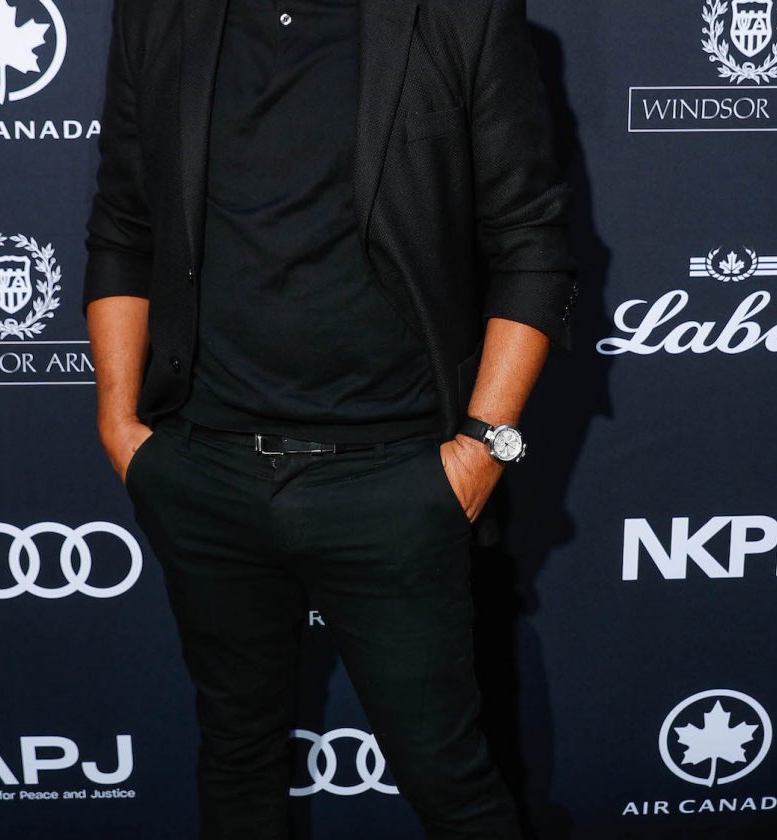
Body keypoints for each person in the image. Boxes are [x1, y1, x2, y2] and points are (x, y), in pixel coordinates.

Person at [83, 0, 576, 836]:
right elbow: (124, 227)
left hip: (393, 480)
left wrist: (483, 448)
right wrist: (119, 427)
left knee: (451, 784)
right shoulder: (158, 15)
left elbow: (531, 240)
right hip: (204, 471)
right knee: (237, 758)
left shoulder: (463, 16)